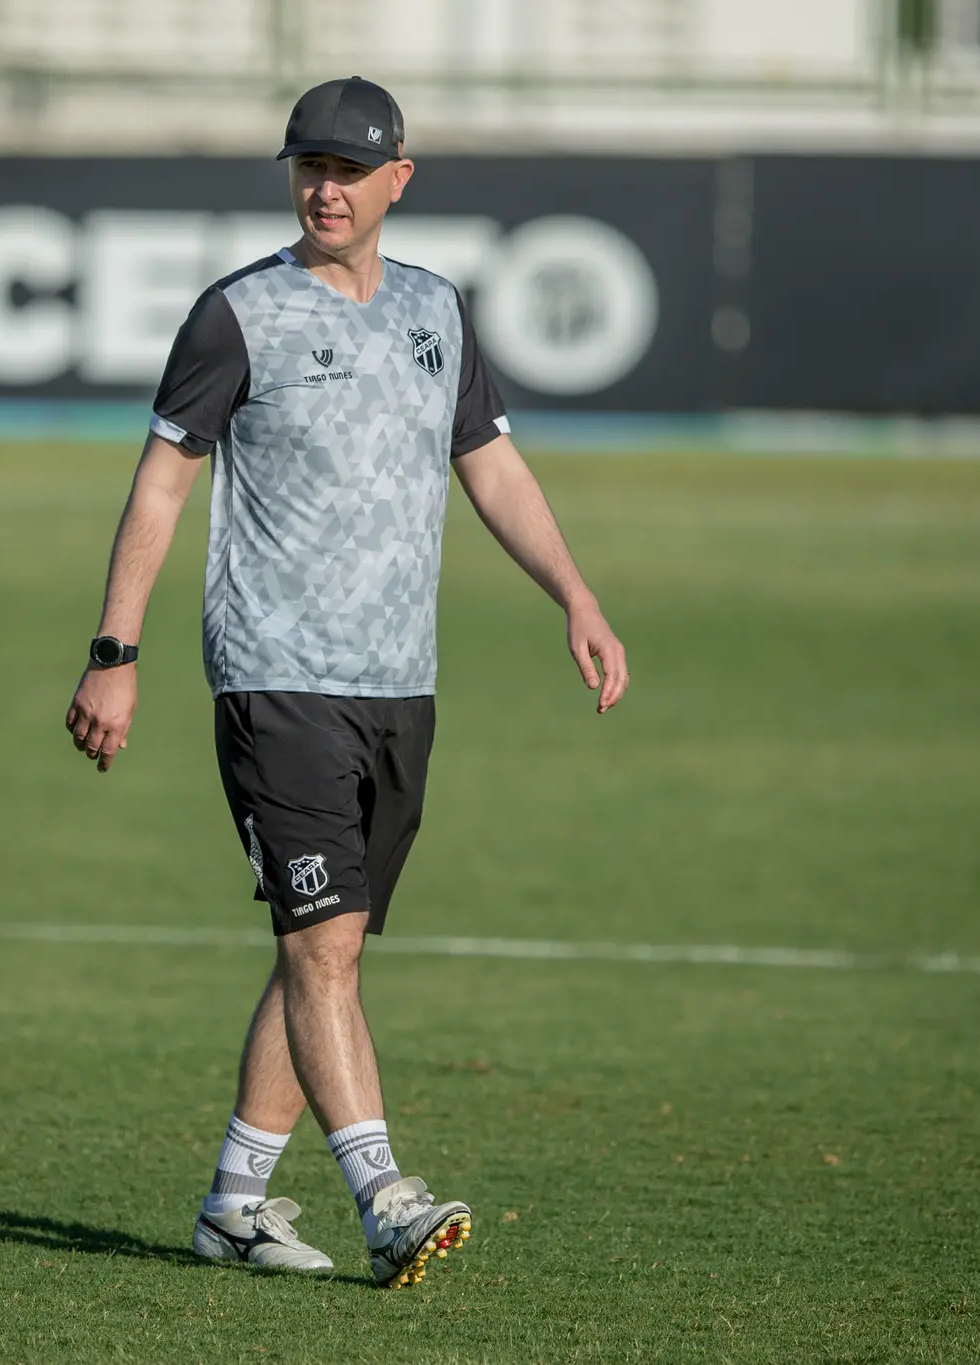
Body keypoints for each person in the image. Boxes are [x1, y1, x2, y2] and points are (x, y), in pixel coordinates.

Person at [64, 75, 630, 1287]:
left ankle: (233, 1201)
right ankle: (381, 1192)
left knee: (324, 949)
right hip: (274, 679)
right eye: (305, 168)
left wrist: (573, 596)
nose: (322, 189)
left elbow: (489, 465)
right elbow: (161, 482)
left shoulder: (436, 310)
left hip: (399, 687)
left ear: (396, 181)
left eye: (345, 169)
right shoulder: (237, 314)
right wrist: (115, 654)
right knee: (320, 944)